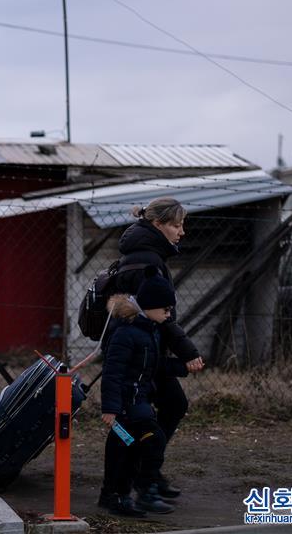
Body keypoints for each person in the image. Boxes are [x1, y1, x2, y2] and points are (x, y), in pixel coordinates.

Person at [111, 197, 204, 497]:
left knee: (165, 408)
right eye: (176, 225)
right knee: (156, 412)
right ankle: (137, 477)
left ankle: (145, 473)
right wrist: (188, 352)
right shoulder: (148, 261)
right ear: (157, 224)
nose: (182, 232)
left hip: (147, 351)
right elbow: (159, 316)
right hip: (141, 354)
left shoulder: (146, 255)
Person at [99, 272, 186, 516]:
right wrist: (111, 408)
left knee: (127, 447)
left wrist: (182, 367)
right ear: (148, 306)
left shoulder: (149, 329)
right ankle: (140, 491)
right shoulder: (127, 332)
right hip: (127, 407)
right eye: (166, 308)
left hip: (138, 403)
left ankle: (115, 495)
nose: (169, 314)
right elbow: (113, 373)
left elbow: (152, 367)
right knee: (149, 440)